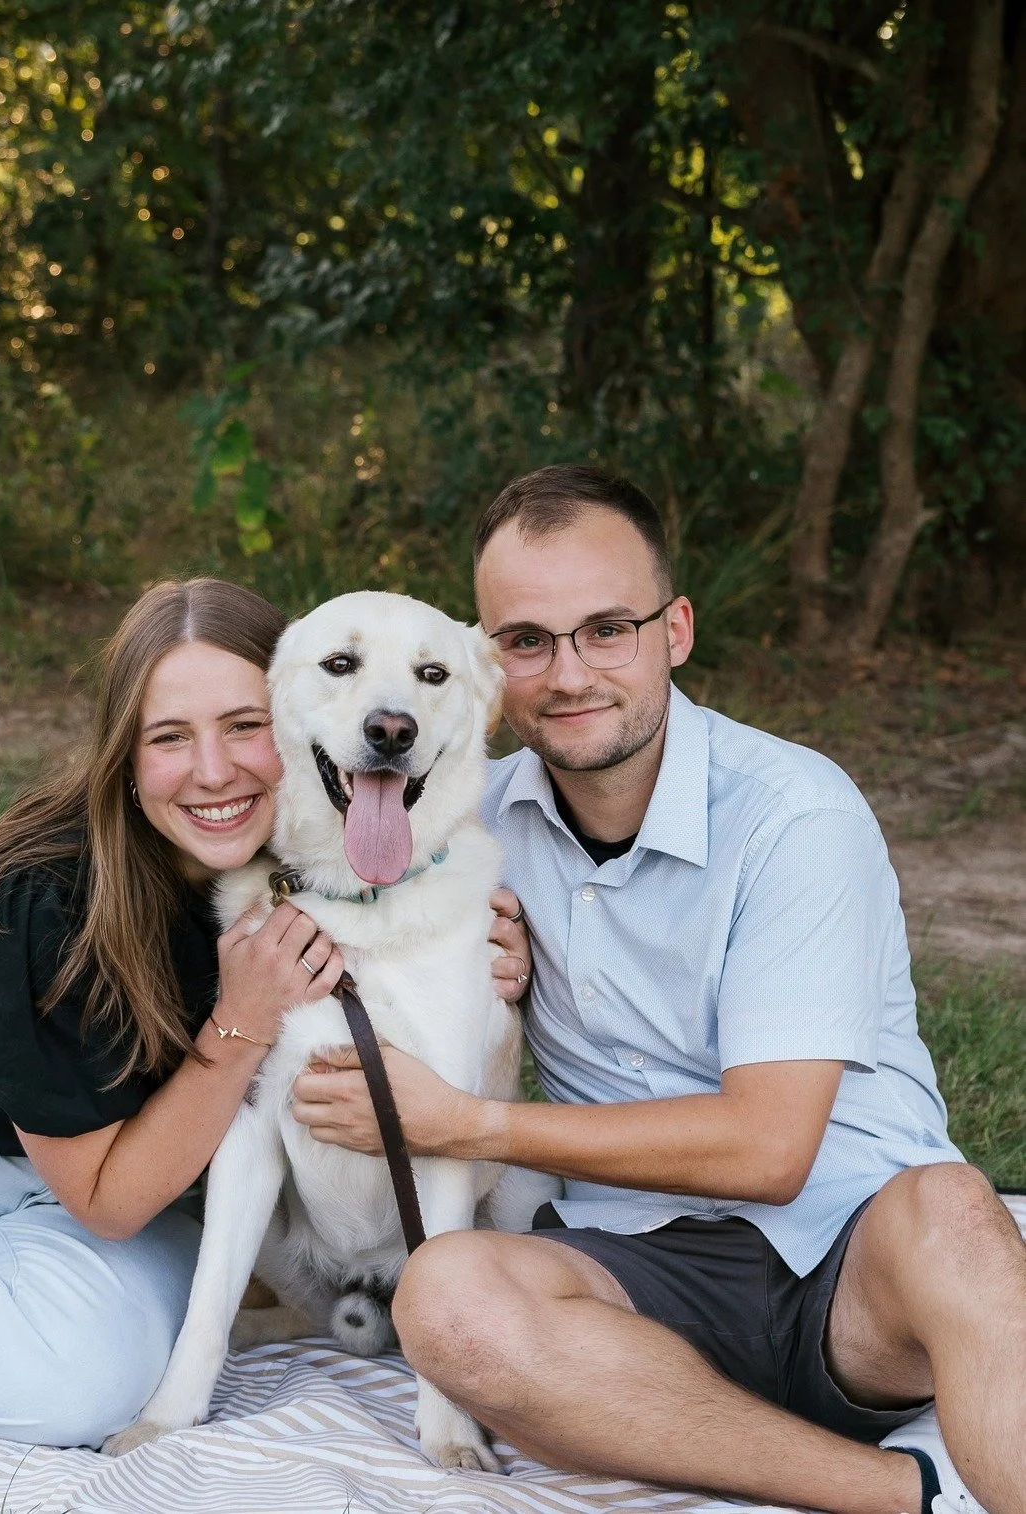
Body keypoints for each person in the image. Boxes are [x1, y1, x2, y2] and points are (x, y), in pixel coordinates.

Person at [293, 465, 1026, 1514]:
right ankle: (899, 1493)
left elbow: (769, 1150)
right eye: (526, 640)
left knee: (956, 1208)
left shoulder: (793, 814)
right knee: (446, 1299)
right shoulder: (463, 824)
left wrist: (468, 1122)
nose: (569, 673)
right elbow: (289, 873)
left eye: (607, 629)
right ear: (486, 662)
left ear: (674, 630)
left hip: (855, 1264)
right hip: (634, 1277)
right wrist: (475, 968)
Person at [0, 575, 532, 1447]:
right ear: (123, 751)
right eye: (169, 737)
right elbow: (106, 1193)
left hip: (125, 1205)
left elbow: (420, 920)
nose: (214, 771)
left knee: (79, 1385)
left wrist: (485, 946)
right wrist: (241, 1023)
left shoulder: (319, 864)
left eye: (242, 726)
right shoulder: (41, 890)